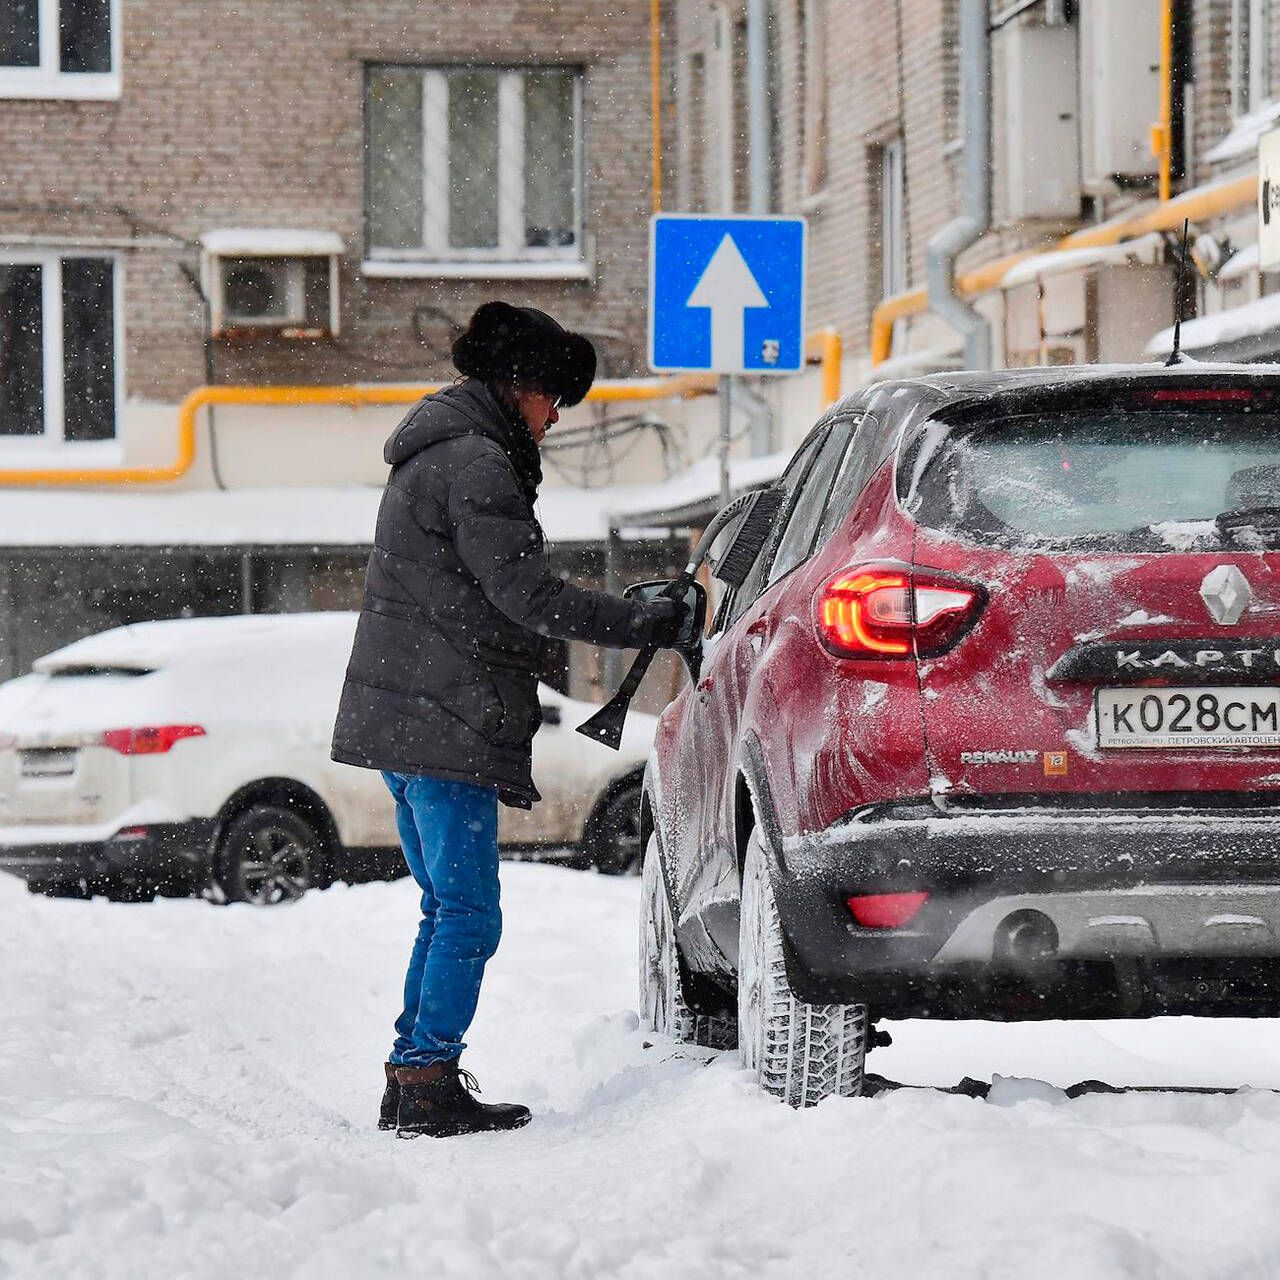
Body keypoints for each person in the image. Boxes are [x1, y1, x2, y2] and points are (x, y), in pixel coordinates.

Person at [331, 301, 686, 1139]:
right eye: (553, 397)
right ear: (517, 385)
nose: (558, 416)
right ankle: (423, 1080)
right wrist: (647, 622)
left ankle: (414, 1070)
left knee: (444, 907)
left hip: (416, 714)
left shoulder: (443, 450)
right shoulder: (474, 462)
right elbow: (527, 596)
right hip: (443, 717)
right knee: (468, 913)